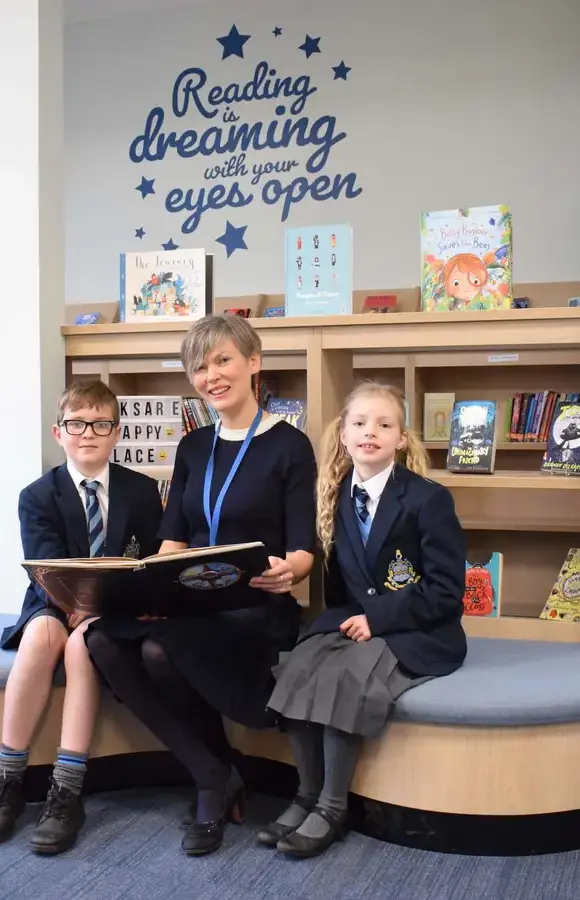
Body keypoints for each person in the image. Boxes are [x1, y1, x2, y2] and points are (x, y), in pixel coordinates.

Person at [85, 314, 318, 857]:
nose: (210, 375)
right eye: (198, 366)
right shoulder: (193, 447)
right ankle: (212, 768)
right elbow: (173, 542)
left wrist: (292, 569)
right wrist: (150, 590)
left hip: (257, 604)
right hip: (194, 602)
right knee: (104, 639)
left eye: (222, 360)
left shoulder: (290, 446)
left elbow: (305, 547)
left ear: (253, 363)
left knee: (160, 650)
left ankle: (211, 785)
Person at [260, 381, 467, 858]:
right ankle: (306, 795)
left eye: (383, 424)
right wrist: (336, 627)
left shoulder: (428, 499)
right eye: (359, 423)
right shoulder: (334, 496)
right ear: (344, 434)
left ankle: (333, 807)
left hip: (421, 631)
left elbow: (446, 593)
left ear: (401, 438)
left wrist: (376, 619)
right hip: (356, 620)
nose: (369, 432)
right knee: (299, 664)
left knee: (347, 676)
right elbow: (339, 588)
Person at [0, 380, 163, 854]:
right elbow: (44, 568)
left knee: (82, 646)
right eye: (76, 424)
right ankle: (8, 778)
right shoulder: (37, 495)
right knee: (40, 639)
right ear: (58, 431)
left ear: (116, 433)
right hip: (53, 599)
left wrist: (101, 608)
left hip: (113, 607)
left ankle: (67, 790)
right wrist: (70, 606)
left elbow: (147, 563)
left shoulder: (143, 491)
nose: (87, 433)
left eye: (100, 424)